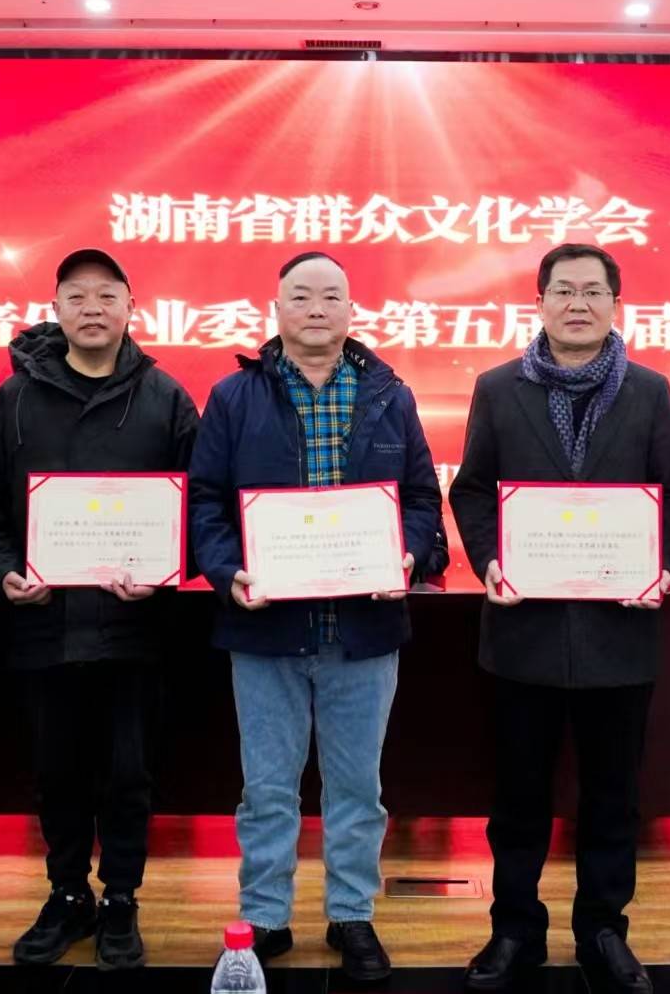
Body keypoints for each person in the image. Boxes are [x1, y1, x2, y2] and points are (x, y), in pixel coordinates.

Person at [187, 251, 442, 982]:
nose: (317, 308)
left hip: (363, 633)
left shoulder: (390, 394)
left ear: (352, 310)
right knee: (266, 789)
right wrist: (228, 571)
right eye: (301, 296)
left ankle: (351, 913)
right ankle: (265, 916)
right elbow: (205, 500)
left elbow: (421, 499)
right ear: (276, 310)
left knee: (358, 788)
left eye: (332, 296)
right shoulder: (234, 396)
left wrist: (407, 557)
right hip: (265, 630)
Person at [448, 244, 670, 994]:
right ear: (540, 302)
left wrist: (656, 563)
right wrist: (490, 559)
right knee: (518, 798)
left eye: (593, 291)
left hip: (620, 633)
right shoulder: (498, 388)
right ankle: (514, 930)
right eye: (563, 290)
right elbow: (472, 489)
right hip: (524, 633)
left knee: (613, 799)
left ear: (615, 303)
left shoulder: (649, 391)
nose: (577, 303)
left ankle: (603, 931)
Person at [0, 248, 199, 969]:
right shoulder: (13, 399)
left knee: (129, 773)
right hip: (44, 625)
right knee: (55, 771)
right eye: (77, 296)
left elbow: (199, 507)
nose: (93, 308)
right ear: (55, 308)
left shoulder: (166, 398)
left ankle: (121, 897)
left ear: (131, 308)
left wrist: (162, 570)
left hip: (134, 630)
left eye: (107, 295)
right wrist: (3, 570)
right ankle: (67, 894)